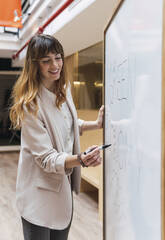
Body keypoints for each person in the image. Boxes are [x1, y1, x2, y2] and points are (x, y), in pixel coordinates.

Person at [10, 34, 104, 240]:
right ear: (35, 65)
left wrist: (95, 124)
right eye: (46, 61)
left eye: (58, 57)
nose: (55, 65)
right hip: (38, 194)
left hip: (62, 190)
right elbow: (46, 158)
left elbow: (66, 126)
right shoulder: (30, 105)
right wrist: (80, 159)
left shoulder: (64, 88)